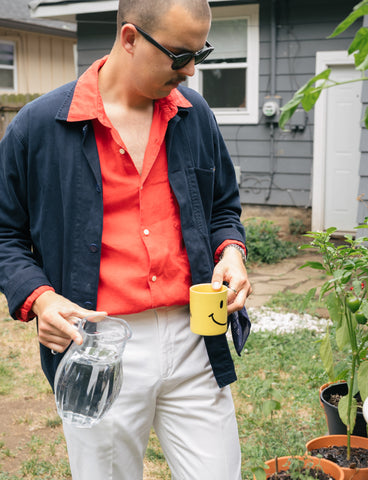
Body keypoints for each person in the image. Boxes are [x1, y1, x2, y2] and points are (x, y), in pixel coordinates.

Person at [0, 0, 252, 478]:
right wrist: (41, 299)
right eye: (180, 55)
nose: (192, 71)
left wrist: (232, 252)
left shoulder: (194, 114)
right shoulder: (37, 126)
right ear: (130, 38)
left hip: (197, 335)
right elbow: (4, 234)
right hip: (98, 345)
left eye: (202, 53)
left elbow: (223, 208)